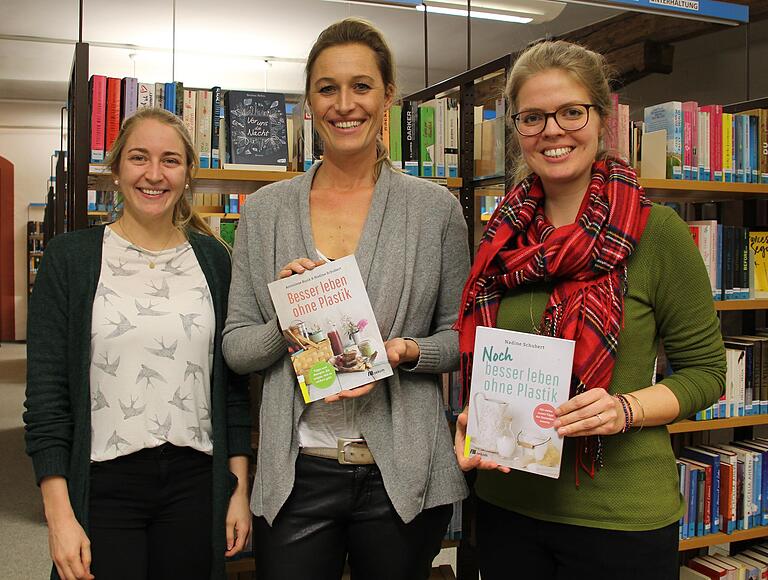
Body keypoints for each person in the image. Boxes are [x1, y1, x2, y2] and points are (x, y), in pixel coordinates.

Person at [454, 40, 725, 580]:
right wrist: (475, 416)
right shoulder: (500, 236)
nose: (552, 131)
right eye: (532, 117)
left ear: (602, 117)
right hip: (509, 504)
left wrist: (624, 409)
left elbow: (708, 374)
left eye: (570, 112)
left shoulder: (658, 233)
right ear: (517, 130)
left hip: (619, 517)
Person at [222, 18, 470, 580]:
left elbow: (461, 338)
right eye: (327, 88)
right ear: (309, 102)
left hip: (400, 473)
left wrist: (405, 351)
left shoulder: (434, 211)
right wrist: (290, 318)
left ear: (388, 98)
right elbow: (236, 349)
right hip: (297, 472)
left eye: (361, 86)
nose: (344, 104)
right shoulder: (265, 212)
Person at [24, 107, 252, 580]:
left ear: (188, 172)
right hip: (104, 483)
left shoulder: (214, 260)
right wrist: (59, 515)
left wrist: (239, 488)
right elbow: (46, 399)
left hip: (196, 482)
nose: (154, 174)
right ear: (116, 170)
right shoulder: (71, 259)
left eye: (170, 160)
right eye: (138, 158)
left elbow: (232, 388)